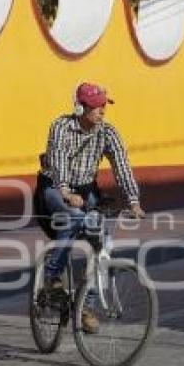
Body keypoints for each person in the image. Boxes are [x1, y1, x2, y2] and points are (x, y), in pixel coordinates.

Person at [38, 82, 146, 331]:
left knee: (103, 243)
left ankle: (86, 304)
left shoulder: (107, 132)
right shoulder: (61, 127)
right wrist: (65, 191)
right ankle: (52, 277)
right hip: (54, 187)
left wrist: (133, 201)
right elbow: (57, 160)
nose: (101, 111)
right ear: (80, 107)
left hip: (87, 191)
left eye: (103, 105)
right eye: (96, 106)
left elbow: (122, 165)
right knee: (75, 216)